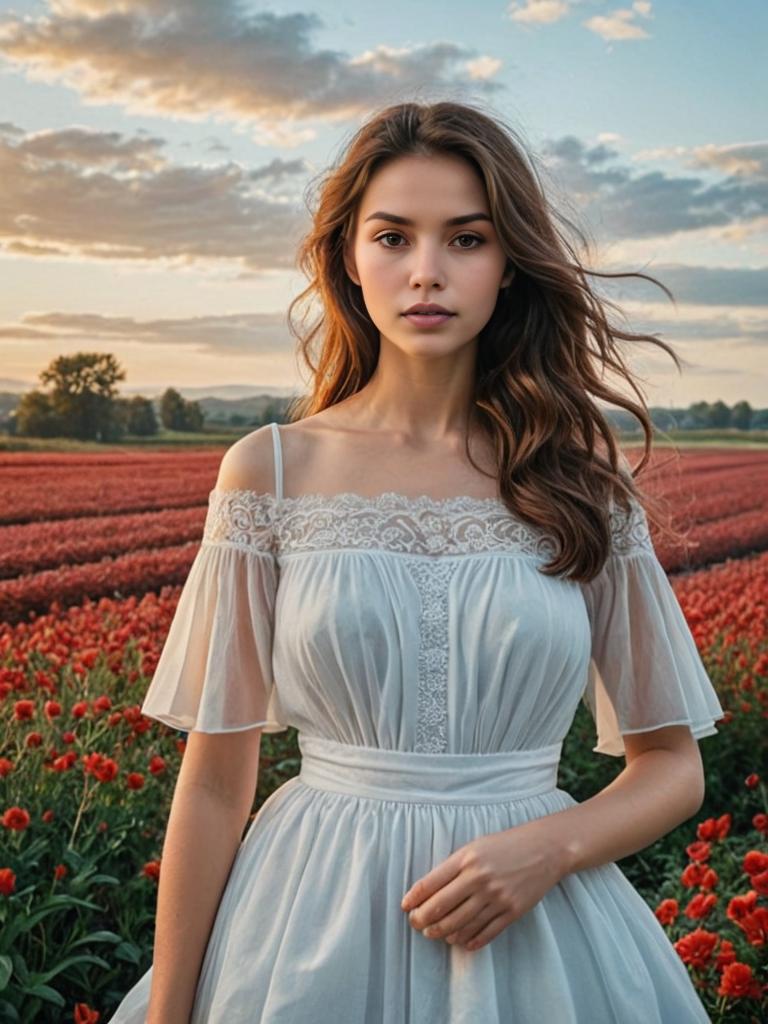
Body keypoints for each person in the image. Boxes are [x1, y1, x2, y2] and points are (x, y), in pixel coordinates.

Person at [108, 100, 725, 1023]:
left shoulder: (579, 480)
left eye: (466, 239)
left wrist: (550, 847)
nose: (426, 272)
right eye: (393, 237)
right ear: (349, 260)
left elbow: (673, 764)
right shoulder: (271, 470)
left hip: (538, 931)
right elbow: (213, 782)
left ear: (510, 262)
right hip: (305, 921)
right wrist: (169, 1014)